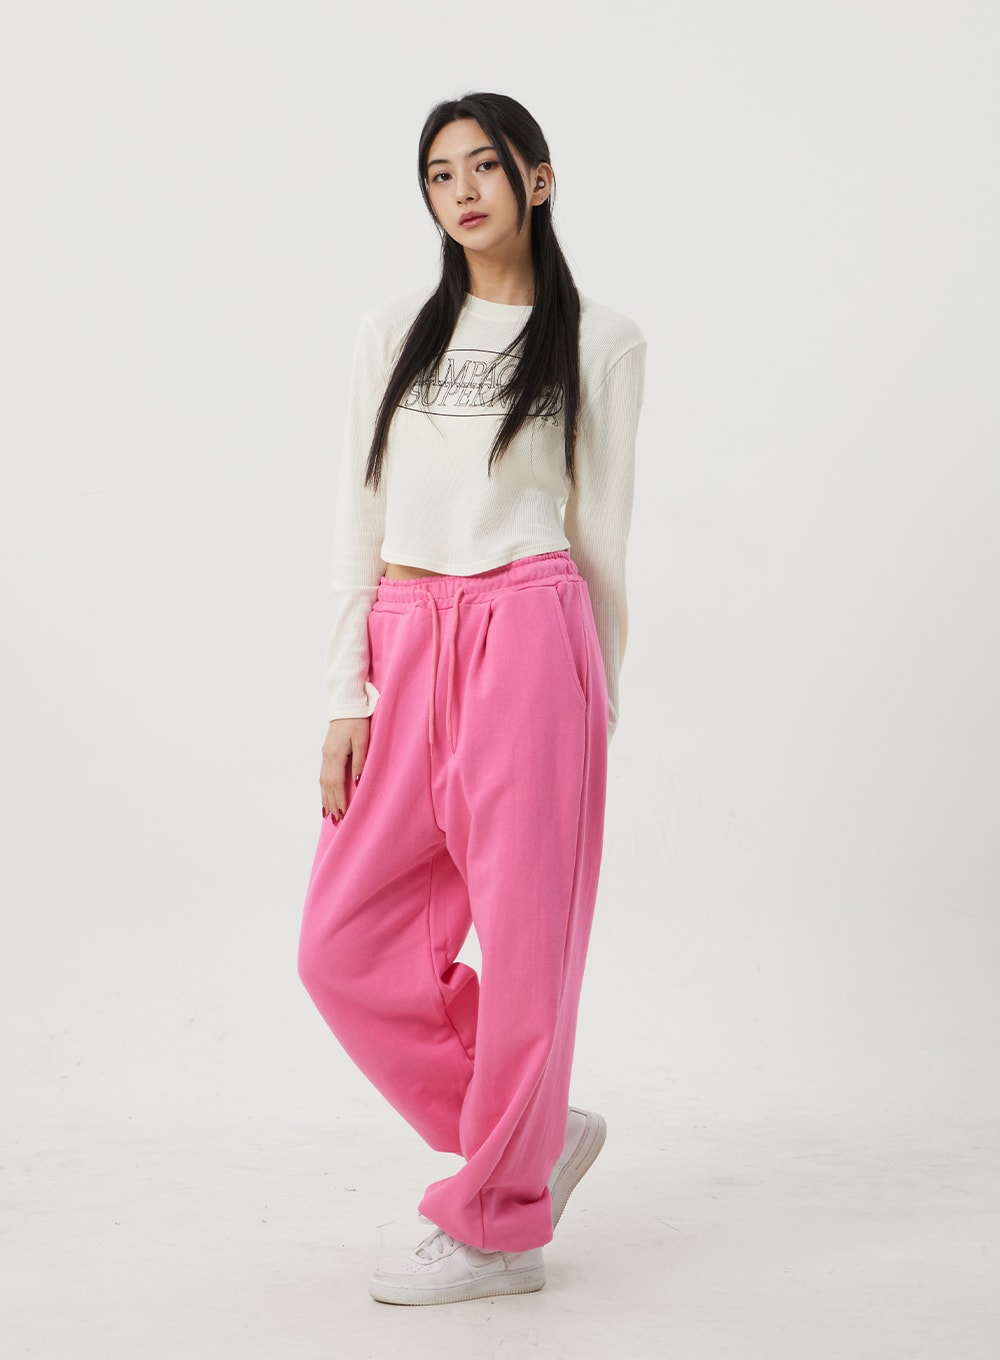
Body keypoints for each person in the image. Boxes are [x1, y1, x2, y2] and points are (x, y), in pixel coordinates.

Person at [297, 91, 646, 1306]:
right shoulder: (395, 327)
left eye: (484, 166)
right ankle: (533, 1138)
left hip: (533, 638)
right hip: (406, 637)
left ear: (536, 179)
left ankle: (500, 1230)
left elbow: (602, 531)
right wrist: (345, 691)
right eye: (439, 174)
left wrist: (596, 701)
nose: (462, 192)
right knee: (340, 945)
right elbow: (358, 510)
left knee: (528, 942)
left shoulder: (598, 340)